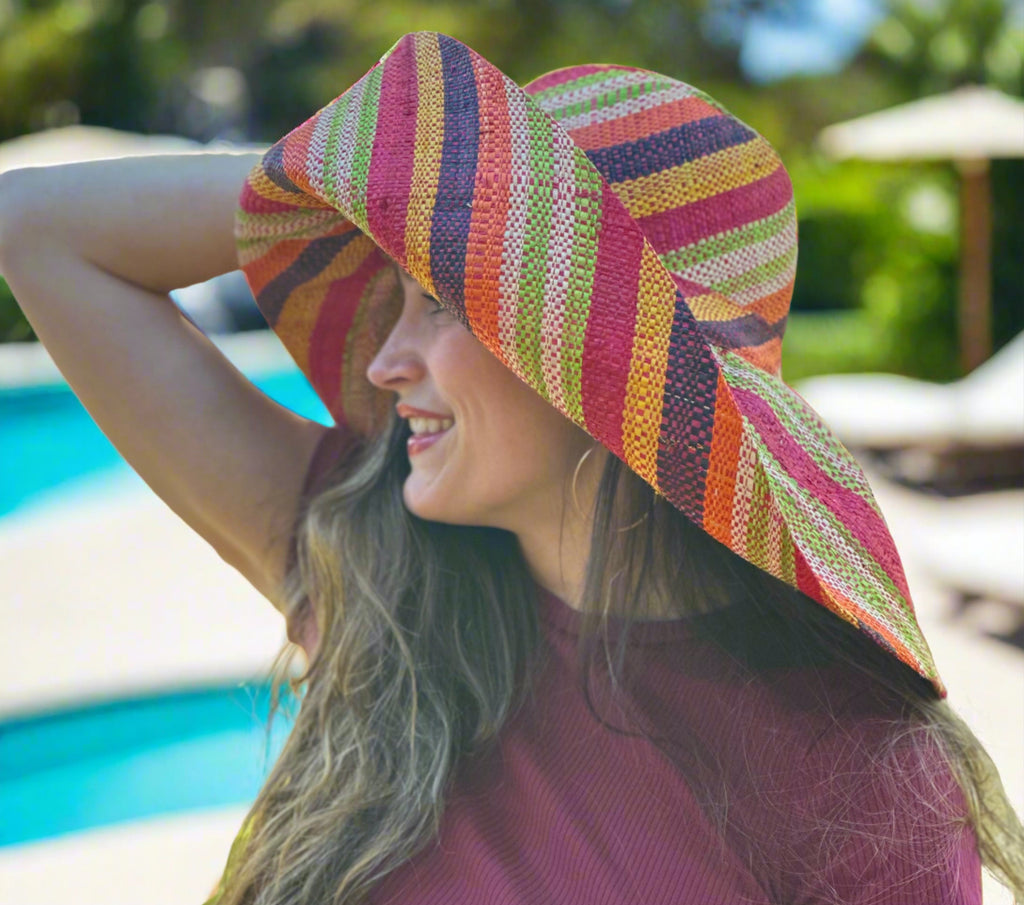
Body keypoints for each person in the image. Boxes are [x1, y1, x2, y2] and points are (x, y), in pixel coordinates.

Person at [1, 30, 1021, 905]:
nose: (380, 363)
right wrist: (397, 186)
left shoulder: (860, 778)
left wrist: (478, 199)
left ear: (590, 345)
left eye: (437, 299)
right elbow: (34, 226)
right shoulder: (378, 572)